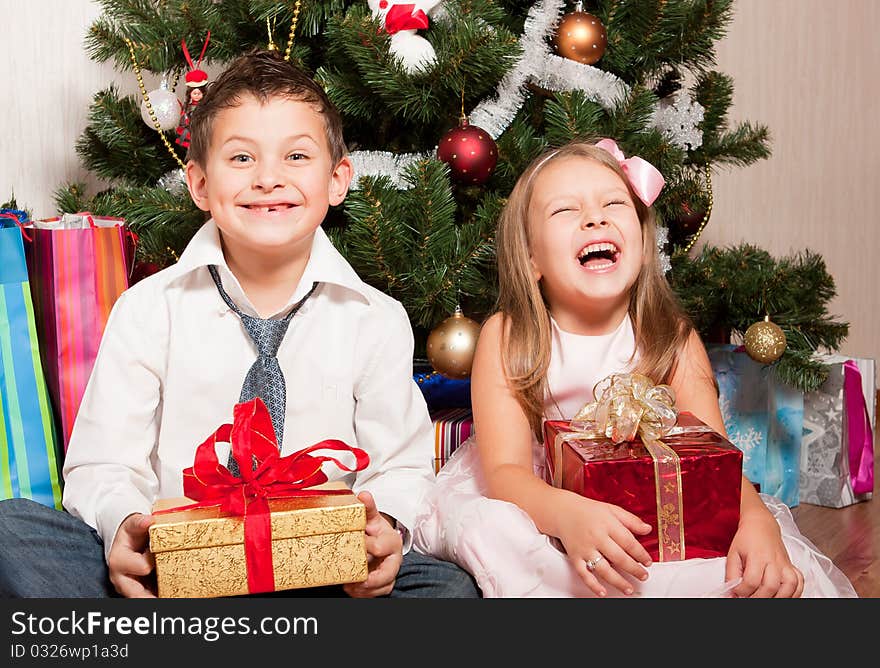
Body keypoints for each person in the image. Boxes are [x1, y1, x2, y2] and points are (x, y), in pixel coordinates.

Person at [0, 49, 478, 599]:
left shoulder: (375, 318)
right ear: (200, 184)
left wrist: (384, 529)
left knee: (449, 590)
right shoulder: (149, 309)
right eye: (242, 159)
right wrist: (125, 527)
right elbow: (103, 463)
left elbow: (399, 466)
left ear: (338, 179)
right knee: (13, 529)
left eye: (297, 157)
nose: (269, 179)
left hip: (321, 569)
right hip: (178, 569)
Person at [413, 139, 857, 598]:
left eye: (613, 203)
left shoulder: (671, 337)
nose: (594, 218)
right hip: (542, 501)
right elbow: (505, 472)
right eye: (565, 210)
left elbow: (715, 461)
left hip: (649, 509)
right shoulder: (508, 336)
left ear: (645, 244)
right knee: (494, 528)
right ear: (531, 260)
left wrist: (759, 521)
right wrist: (566, 515)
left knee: (750, 564)